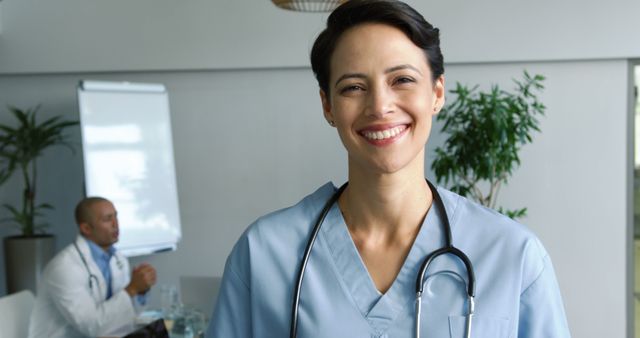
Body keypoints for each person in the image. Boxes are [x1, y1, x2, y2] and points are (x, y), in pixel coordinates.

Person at [207, 0, 571, 337]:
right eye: (353, 87)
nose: (380, 106)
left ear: (437, 93)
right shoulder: (265, 253)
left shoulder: (512, 255)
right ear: (328, 106)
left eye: (402, 80)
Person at [29, 197, 157, 338]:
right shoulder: (63, 268)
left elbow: (129, 315)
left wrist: (141, 290)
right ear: (86, 228)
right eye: (108, 219)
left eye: (116, 216)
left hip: (107, 334)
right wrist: (132, 289)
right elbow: (91, 326)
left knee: (159, 331)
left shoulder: (118, 259)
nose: (116, 224)